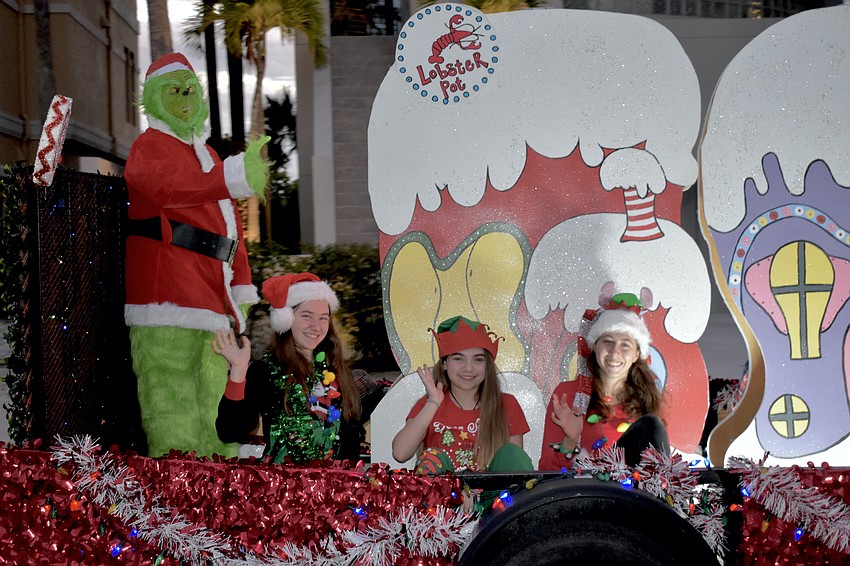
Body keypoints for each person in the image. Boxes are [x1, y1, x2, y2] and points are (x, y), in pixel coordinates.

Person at [123, 52, 269, 458]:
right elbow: (174, 188)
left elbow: (230, 227)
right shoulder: (149, 147)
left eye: (190, 90)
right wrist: (232, 175)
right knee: (171, 401)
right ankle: (177, 495)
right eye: (174, 90)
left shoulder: (206, 155)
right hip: (165, 296)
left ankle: (219, 483)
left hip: (212, 298)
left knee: (215, 398)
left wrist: (241, 282)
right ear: (153, 99)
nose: (185, 97)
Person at [212, 272, 369, 463]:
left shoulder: (339, 372)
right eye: (306, 316)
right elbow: (230, 432)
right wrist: (238, 370)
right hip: (284, 488)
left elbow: (351, 436)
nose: (316, 327)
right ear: (286, 319)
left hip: (335, 487)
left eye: (323, 318)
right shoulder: (265, 371)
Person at [538, 291, 670, 470]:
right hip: (589, 491)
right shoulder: (567, 395)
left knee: (651, 425)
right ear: (594, 347)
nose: (615, 351)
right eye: (608, 341)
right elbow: (547, 472)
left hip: (633, 494)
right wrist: (570, 441)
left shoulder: (648, 397)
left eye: (625, 344)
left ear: (636, 354)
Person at [392, 316, 533, 473]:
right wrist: (433, 402)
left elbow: (514, 465)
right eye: (458, 359)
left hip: (492, 495)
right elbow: (400, 453)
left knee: (512, 453)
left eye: (478, 360)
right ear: (444, 364)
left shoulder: (506, 404)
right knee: (431, 456)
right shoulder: (429, 404)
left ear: (487, 366)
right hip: (443, 494)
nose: (468, 368)